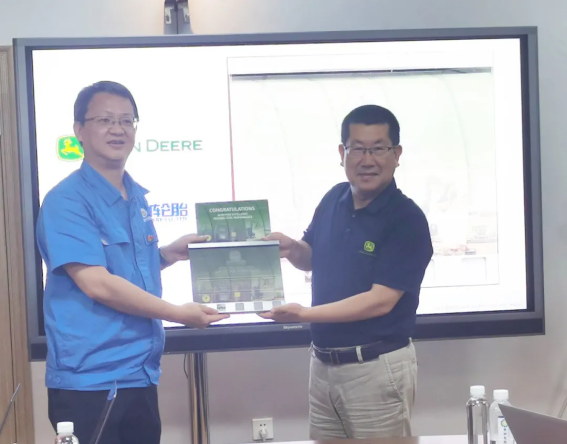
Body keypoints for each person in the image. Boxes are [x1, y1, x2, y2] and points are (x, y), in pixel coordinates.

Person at [36, 81, 229, 444]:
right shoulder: (66, 200)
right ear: (79, 130)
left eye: (127, 121)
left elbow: (126, 268)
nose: (118, 129)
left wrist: (167, 254)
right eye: (105, 120)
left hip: (139, 373)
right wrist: (178, 314)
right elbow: (97, 283)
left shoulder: (135, 196)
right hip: (91, 380)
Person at [260, 104, 433, 439]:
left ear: (396, 154)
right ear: (342, 153)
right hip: (323, 367)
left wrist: (304, 314)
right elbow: (312, 257)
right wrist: (292, 248)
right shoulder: (334, 198)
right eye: (357, 149)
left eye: (378, 148)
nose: (367, 160)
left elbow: (380, 301)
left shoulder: (407, 219)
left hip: (375, 368)